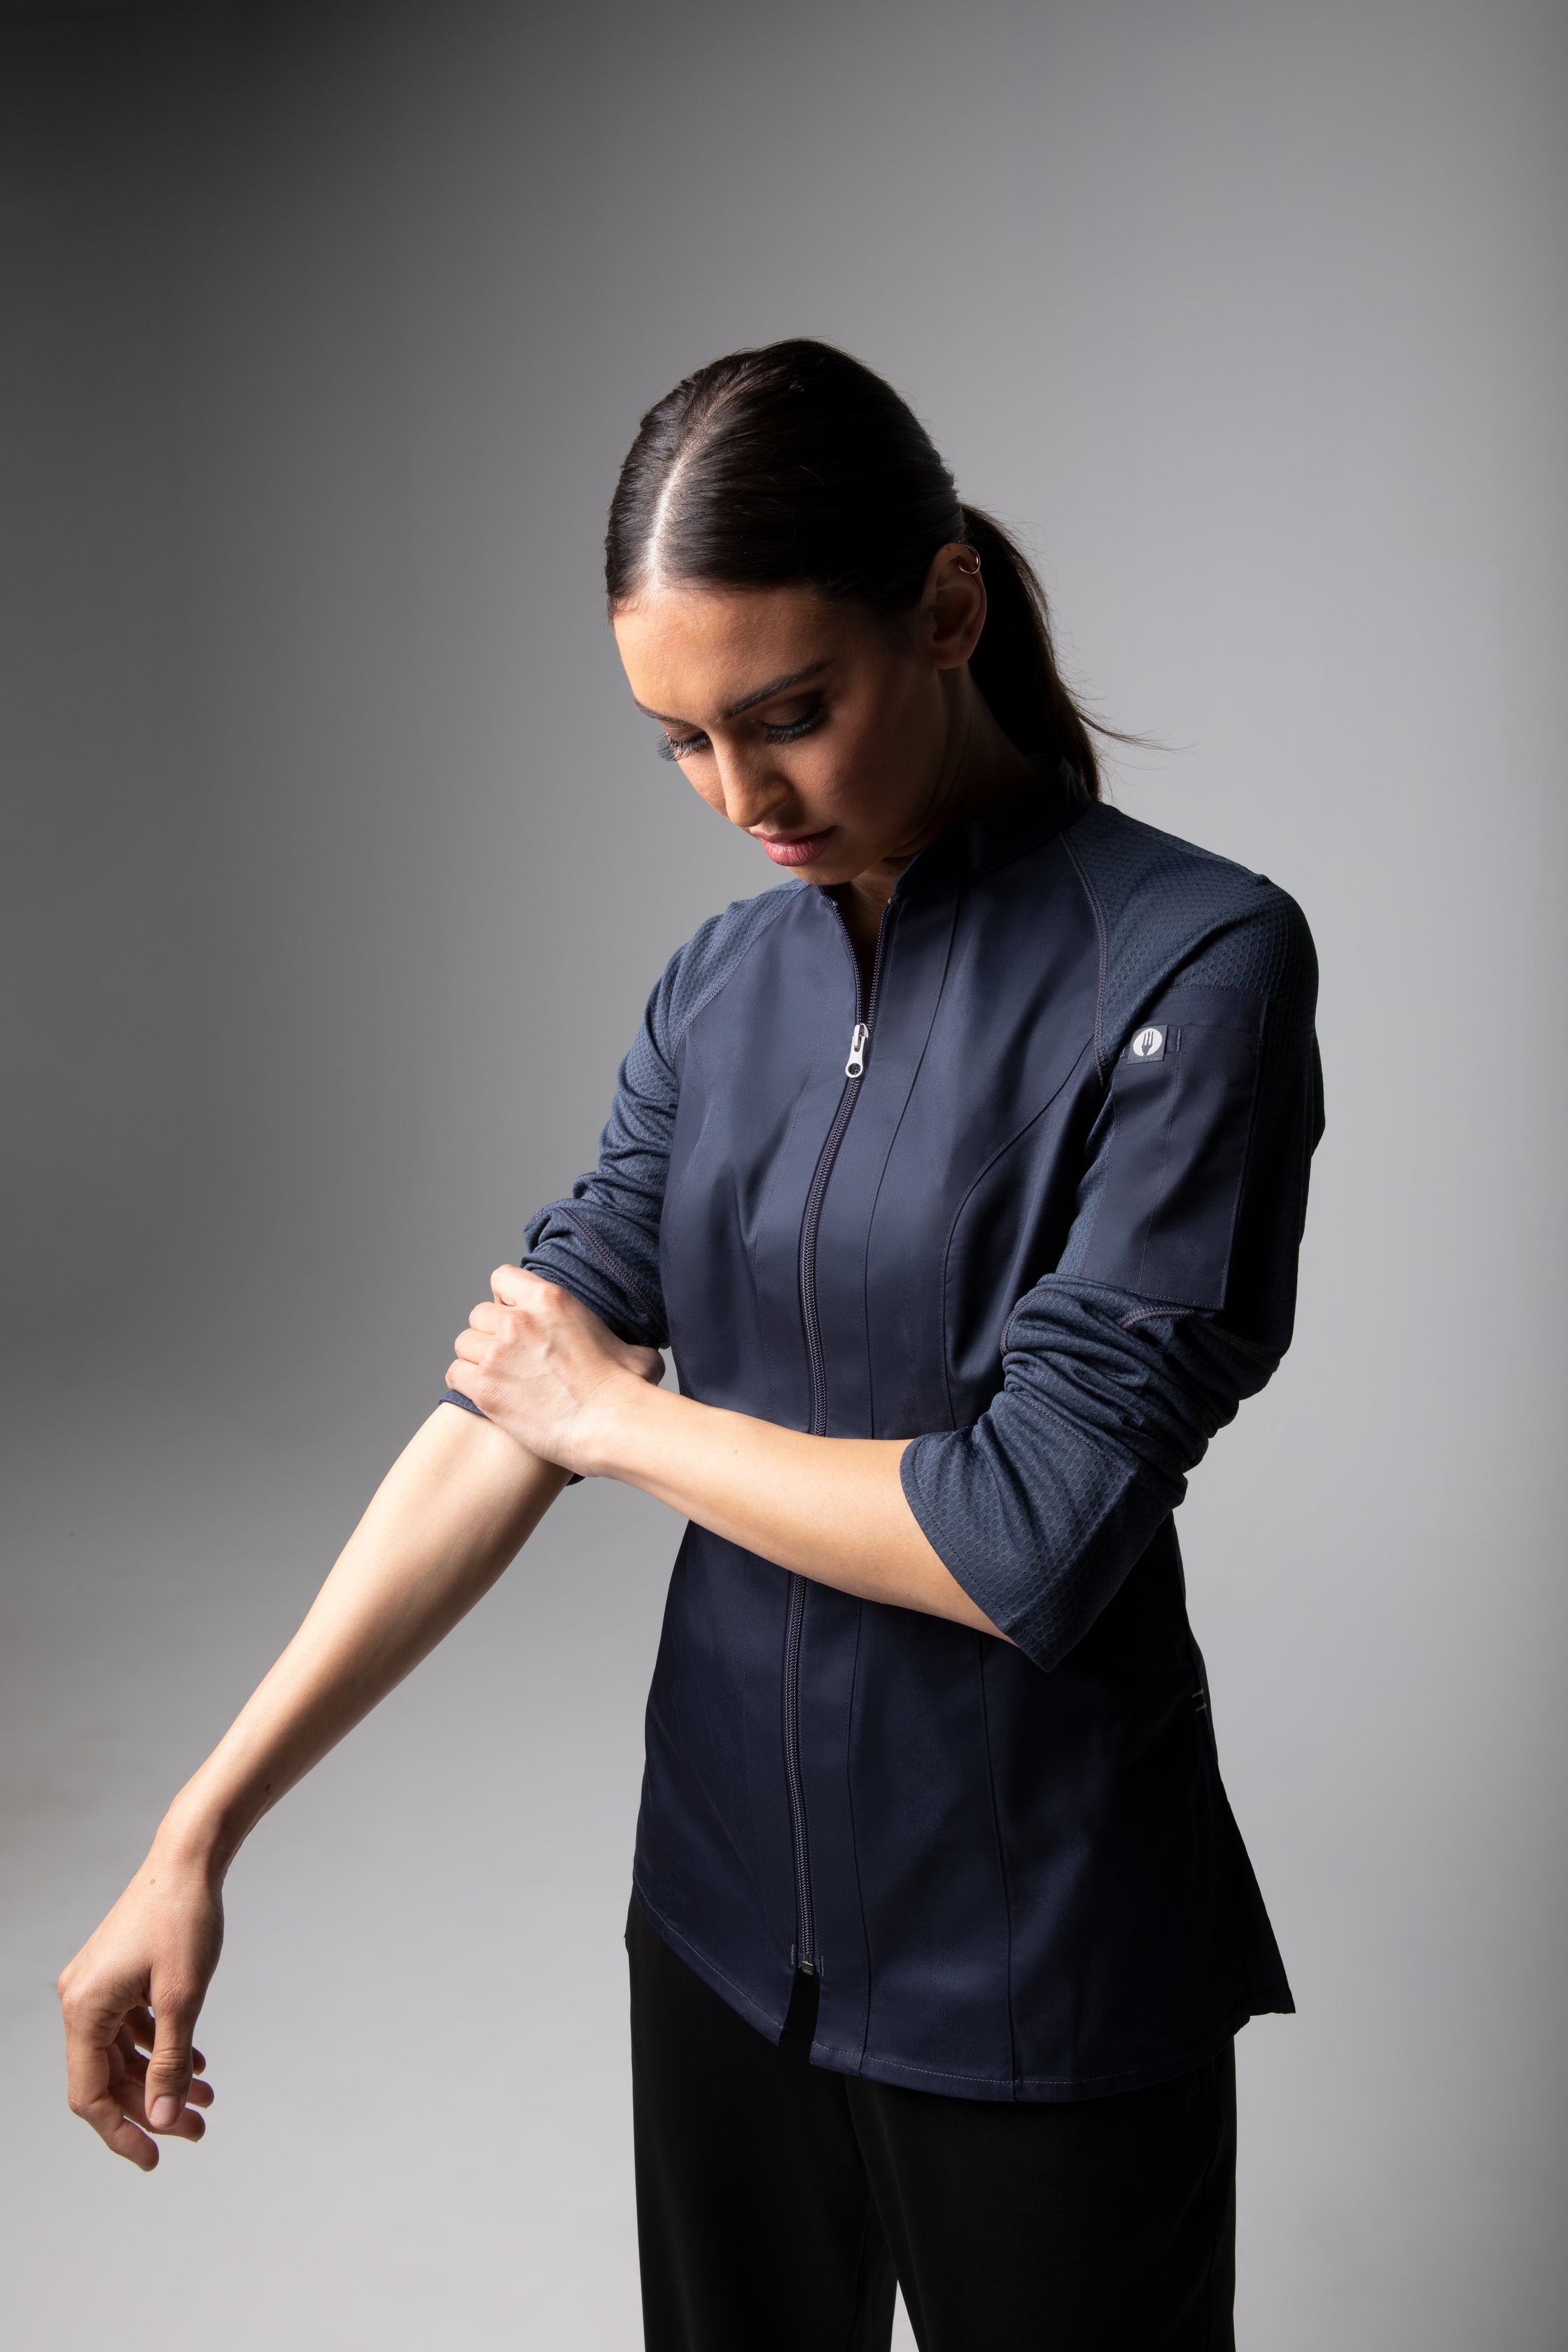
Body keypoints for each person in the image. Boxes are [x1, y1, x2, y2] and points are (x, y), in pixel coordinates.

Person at [58, 339, 1322, 2351]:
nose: (743, 799)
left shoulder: (1198, 964)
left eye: (790, 715)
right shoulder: (718, 987)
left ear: (948, 611)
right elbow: (507, 1406)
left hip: (1042, 1960)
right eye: (679, 742)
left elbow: (1029, 1531)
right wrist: (193, 1831)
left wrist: (622, 1426)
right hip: (723, 1931)